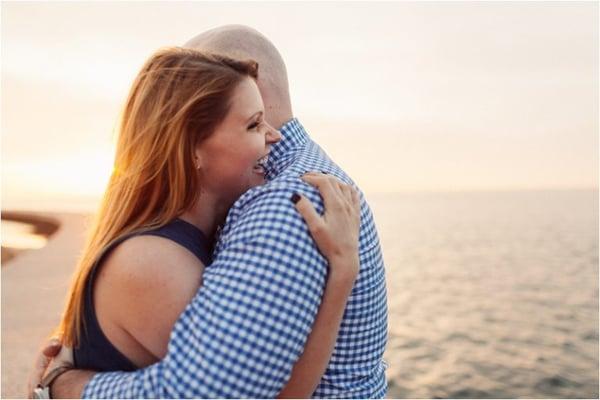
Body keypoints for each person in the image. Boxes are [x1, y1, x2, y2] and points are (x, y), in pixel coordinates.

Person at [30, 25, 388, 398]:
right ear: (193, 148)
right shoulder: (164, 256)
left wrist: (62, 380)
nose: (272, 135)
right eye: (252, 123)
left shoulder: (281, 198)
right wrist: (59, 386)